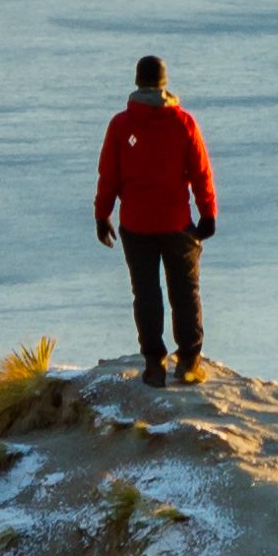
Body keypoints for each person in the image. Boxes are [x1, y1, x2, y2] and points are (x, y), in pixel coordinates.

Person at [94, 53, 219, 383]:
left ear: (137, 82)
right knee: (185, 291)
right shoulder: (183, 122)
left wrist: (102, 214)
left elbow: (109, 175)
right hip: (177, 222)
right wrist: (208, 213)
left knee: (146, 294)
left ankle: (154, 364)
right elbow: (200, 173)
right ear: (165, 83)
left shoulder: (121, 125)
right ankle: (189, 363)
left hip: (135, 224)